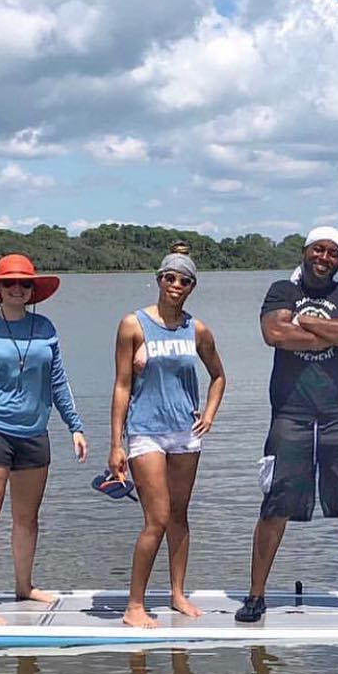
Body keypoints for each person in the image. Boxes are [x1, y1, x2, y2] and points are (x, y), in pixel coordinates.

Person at [235, 226, 338, 623]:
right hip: (291, 415)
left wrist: (305, 324)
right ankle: (256, 596)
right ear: (305, 252)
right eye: (317, 250)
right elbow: (275, 333)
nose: (324, 258)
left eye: (333, 253)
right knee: (275, 507)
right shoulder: (281, 291)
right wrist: (333, 335)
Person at [0, 254, 87, 626]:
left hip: (33, 433)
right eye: (10, 283)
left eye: (25, 284)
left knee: (27, 518)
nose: (18, 289)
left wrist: (75, 426)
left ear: (32, 289)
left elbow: (57, 381)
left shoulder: (45, 328)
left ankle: (25, 586)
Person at [109, 244, 226, 628]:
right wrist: (116, 443)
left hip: (185, 435)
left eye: (185, 280)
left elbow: (218, 376)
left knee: (179, 516)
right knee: (155, 519)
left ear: (192, 287)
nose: (176, 285)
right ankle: (134, 606)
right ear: (159, 280)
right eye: (170, 278)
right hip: (146, 432)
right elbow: (122, 385)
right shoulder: (134, 324)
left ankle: (177, 594)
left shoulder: (198, 329)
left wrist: (208, 415)